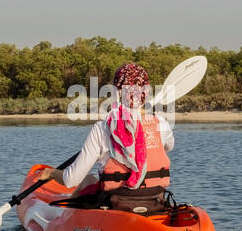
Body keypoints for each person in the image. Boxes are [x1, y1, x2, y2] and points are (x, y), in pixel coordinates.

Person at [35, 63, 173, 207]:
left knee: (87, 180)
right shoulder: (161, 123)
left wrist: (51, 173)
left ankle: (63, 219)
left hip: (116, 201)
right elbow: (167, 147)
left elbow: (71, 180)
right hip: (155, 198)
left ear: (117, 93)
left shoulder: (102, 128)